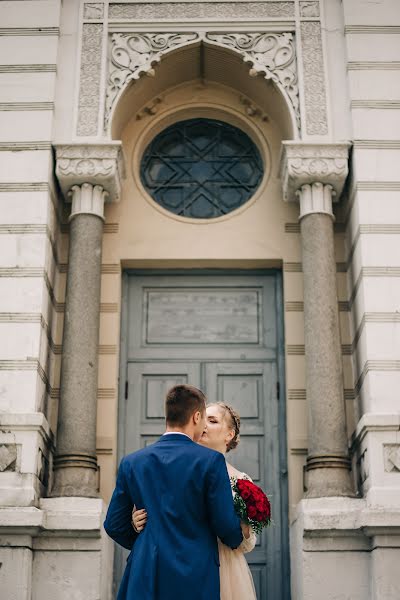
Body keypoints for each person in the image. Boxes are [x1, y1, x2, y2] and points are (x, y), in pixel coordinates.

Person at [103, 385, 244, 600]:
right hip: (194, 573)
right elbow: (225, 524)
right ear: (197, 417)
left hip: (145, 572)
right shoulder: (210, 461)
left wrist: (145, 543)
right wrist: (237, 539)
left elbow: (114, 524)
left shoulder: (132, 462)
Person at [133, 402, 257, 600]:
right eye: (202, 418)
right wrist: (136, 520)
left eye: (213, 420)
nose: (203, 424)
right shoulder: (178, 468)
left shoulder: (242, 482)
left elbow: (247, 543)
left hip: (225, 568)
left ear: (229, 435)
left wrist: (245, 529)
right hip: (180, 564)